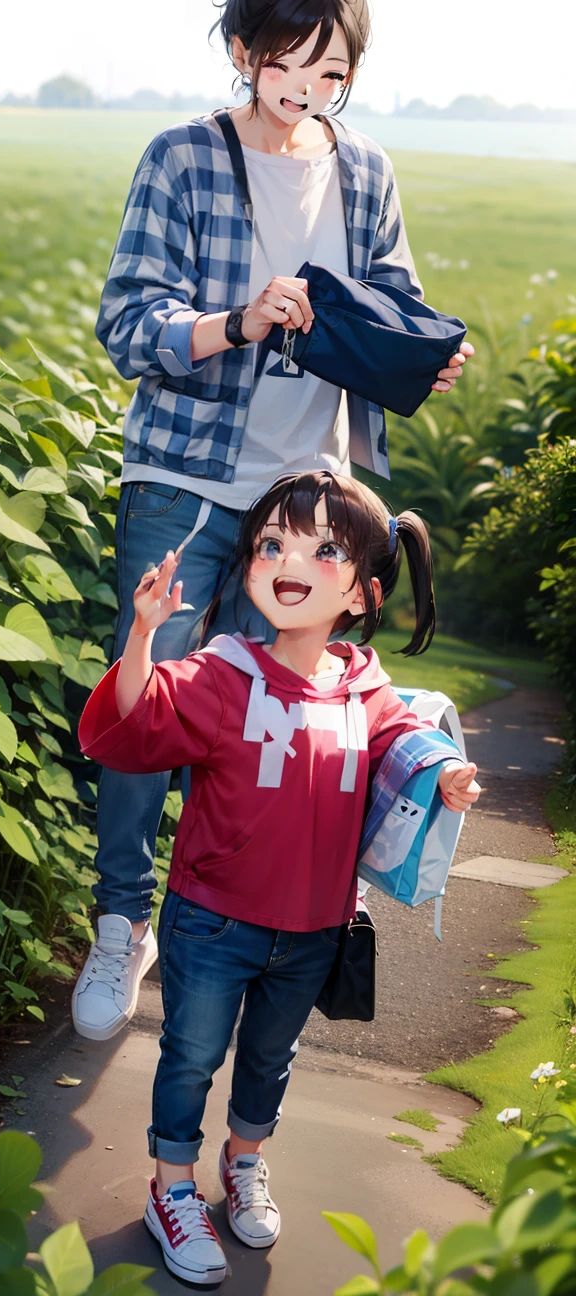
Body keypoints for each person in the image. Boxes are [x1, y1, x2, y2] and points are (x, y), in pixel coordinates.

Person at [71, 0, 474, 1044]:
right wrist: (234, 321)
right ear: (243, 49)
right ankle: (118, 920)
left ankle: (218, 931)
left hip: (307, 499)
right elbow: (126, 320)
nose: (303, 89)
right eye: (284, 61)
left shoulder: (365, 171)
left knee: (269, 734)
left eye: (330, 70)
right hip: (185, 483)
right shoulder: (183, 157)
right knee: (150, 698)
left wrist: (421, 354)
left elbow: (387, 301)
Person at [78, 470, 480, 1286]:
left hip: (313, 924)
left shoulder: (363, 685)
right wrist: (143, 636)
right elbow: (137, 719)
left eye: (323, 548)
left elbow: (410, 737)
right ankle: (173, 1188)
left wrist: (446, 775)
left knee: (270, 1057)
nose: (290, 560)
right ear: (252, 561)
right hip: (213, 918)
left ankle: (245, 1162)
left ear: (363, 595)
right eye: (274, 543)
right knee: (190, 1055)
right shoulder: (223, 669)